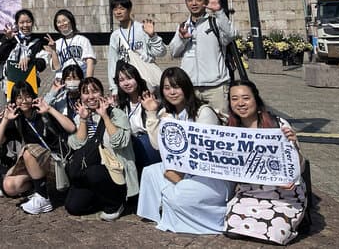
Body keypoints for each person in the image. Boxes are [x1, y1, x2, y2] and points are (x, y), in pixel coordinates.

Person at [137, 66, 232, 234]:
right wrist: (152, 114)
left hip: (207, 173)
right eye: (167, 88)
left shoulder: (204, 112)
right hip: (181, 168)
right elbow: (157, 145)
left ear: (185, 88)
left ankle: (203, 214)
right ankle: (160, 211)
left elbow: (203, 150)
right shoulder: (167, 113)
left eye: (176, 87)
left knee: (177, 195)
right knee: (150, 173)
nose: (172, 92)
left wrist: (174, 127)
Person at [224, 79, 307, 244]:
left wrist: (293, 145)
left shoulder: (278, 125)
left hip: (283, 195)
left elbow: (300, 166)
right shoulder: (229, 129)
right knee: (231, 228)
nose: (240, 103)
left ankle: (293, 221)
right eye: (234, 99)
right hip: (250, 193)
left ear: (256, 99)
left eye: (245, 98)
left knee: (274, 233)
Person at [0, 81, 75, 215]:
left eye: (27, 96)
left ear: (33, 97)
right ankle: (39, 189)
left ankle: (43, 198)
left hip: (58, 162)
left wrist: (49, 110)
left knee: (28, 150)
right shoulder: (16, 118)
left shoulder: (41, 111)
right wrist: (6, 120)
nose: (24, 101)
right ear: (14, 101)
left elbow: (71, 128)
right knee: (9, 185)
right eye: (19, 97)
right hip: (36, 163)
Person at [64, 77, 137, 220]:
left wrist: (105, 116)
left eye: (95, 91)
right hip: (90, 173)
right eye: (85, 92)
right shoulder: (81, 116)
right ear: (80, 96)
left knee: (94, 172)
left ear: (102, 93)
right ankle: (102, 200)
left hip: (115, 171)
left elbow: (119, 142)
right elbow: (76, 145)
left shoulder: (116, 114)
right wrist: (83, 120)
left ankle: (116, 204)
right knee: (73, 206)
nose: (91, 96)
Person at [168, 0, 237, 114]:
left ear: (205, 2)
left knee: (221, 124)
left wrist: (219, 12)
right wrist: (182, 38)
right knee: (194, 123)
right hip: (190, 87)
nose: (194, 3)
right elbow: (174, 52)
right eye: (190, 0)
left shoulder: (215, 22)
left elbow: (230, 36)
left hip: (216, 87)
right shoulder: (184, 26)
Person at [107, 0, 165, 94]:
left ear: (129, 9)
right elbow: (112, 62)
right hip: (126, 80)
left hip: (145, 77)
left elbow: (160, 52)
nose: (118, 12)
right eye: (115, 9)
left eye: (122, 8)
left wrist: (152, 36)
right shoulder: (115, 35)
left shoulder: (142, 29)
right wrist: (114, 88)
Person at [113, 61, 160, 174]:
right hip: (130, 145)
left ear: (137, 79)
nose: (126, 83)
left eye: (129, 78)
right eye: (121, 80)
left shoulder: (150, 99)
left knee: (143, 142)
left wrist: (151, 110)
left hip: (149, 146)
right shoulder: (121, 104)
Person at [0, 9, 51, 101]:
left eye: (28, 22)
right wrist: (8, 40)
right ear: (17, 24)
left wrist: (30, 59)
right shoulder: (10, 38)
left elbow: (42, 65)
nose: (25, 25)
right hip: (9, 85)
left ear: (32, 23)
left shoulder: (38, 42)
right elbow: (0, 56)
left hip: (29, 86)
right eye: (21, 22)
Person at [47, 8, 95, 78]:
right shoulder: (56, 43)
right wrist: (53, 50)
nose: (62, 24)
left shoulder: (83, 40)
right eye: (59, 22)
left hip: (80, 79)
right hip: (62, 81)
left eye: (64, 21)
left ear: (71, 21)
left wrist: (88, 80)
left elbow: (90, 62)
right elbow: (57, 67)